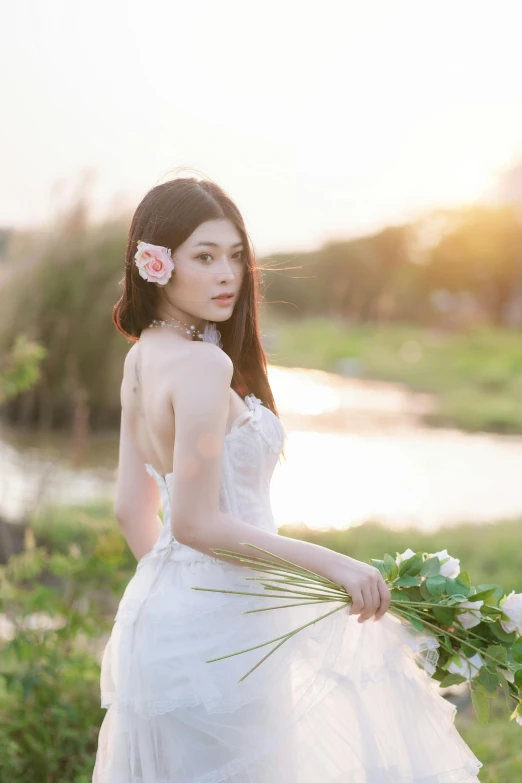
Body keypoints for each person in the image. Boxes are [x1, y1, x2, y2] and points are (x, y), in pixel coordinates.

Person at [92, 176, 482, 782]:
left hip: (159, 619)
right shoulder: (201, 364)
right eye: (204, 256)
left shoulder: (143, 354)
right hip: (220, 634)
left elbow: (131, 510)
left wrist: (183, 593)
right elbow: (195, 523)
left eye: (236, 256)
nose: (228, 274)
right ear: (156, 264)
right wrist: (334, 565)